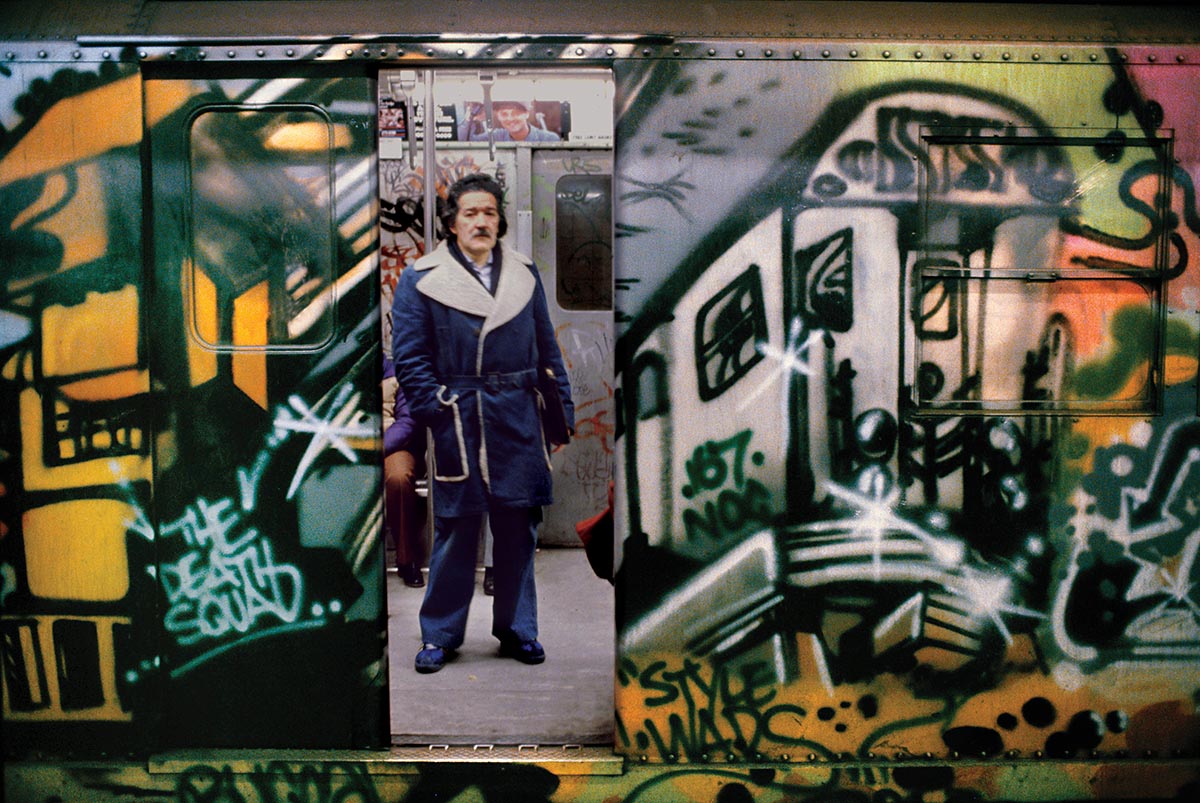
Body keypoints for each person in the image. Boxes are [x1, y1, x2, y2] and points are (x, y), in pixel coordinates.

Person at [391, 173, 574, 673]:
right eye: (470, 213)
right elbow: (409, 360)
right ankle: (440, 635)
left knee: (519, 529)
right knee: (455, 529)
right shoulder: (421, 278)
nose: (480, 222)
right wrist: (439, 412)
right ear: (452, 223)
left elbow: (547, 348)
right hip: (460, 416)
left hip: (518, 416)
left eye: (489, 213)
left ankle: (518, 629)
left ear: (500, 220)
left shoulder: (524, 273)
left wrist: (560, 419)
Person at [383, 357, 427, 588]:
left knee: (399, 478)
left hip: (389, 444)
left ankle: (406, 558)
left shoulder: (395, 370)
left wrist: (375, 447)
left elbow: (408, 421)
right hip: (343, 443)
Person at [468, 100, 561, 143]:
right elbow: (466, 141)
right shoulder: (496, 136)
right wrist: (470, 119)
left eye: (516, 113)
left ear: (527, 114)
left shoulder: (548, 139)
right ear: (498, 116)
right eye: (504, 114)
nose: (510, 118)